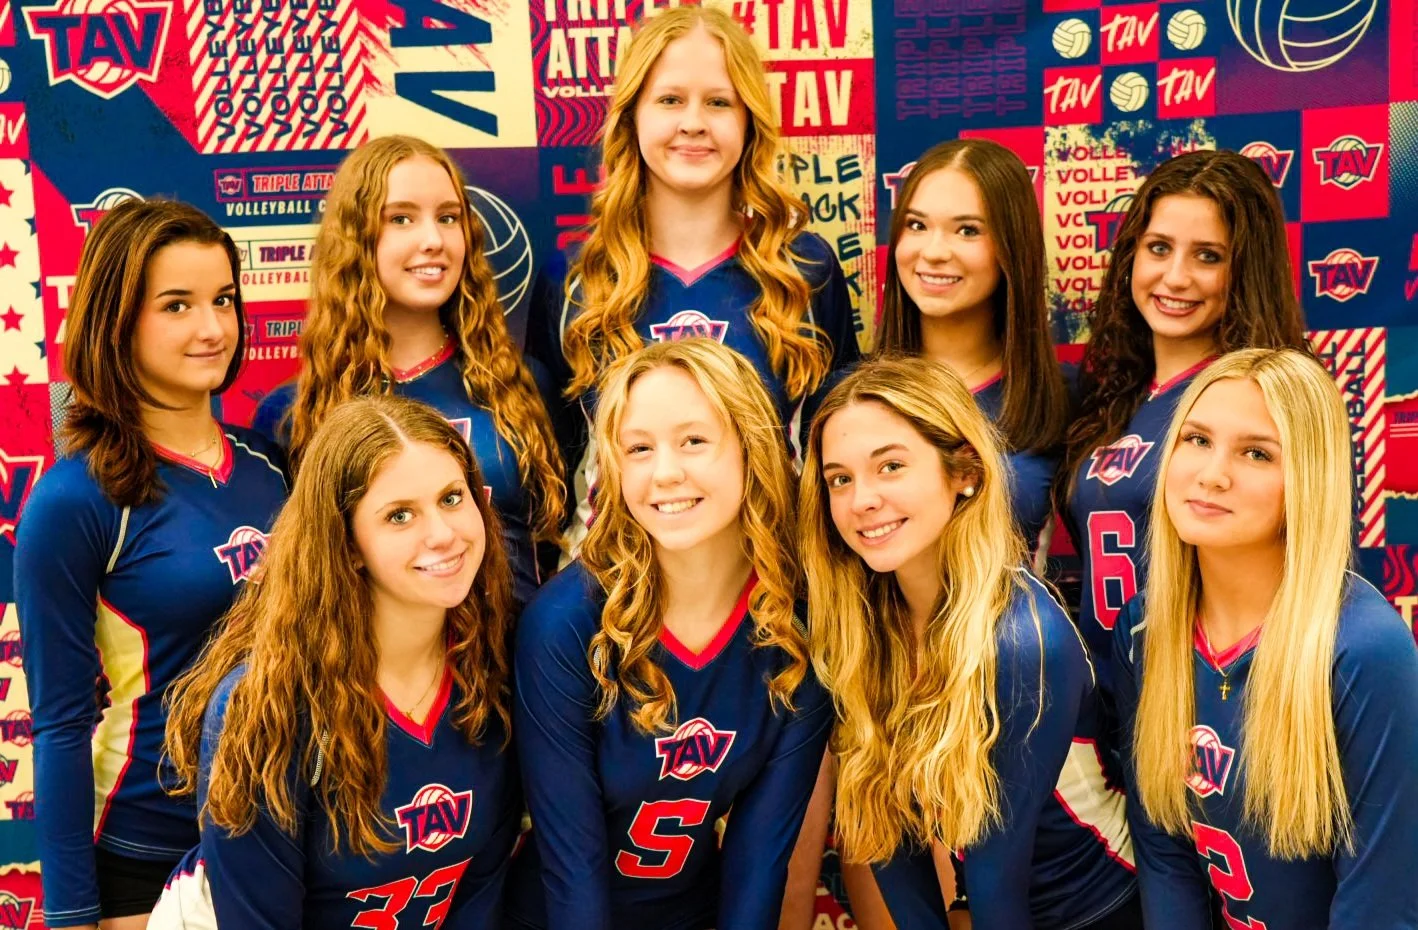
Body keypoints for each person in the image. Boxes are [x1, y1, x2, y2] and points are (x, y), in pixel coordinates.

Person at [13, 199, 288, 929]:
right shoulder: (75, 501)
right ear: (117, 322)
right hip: (146, 853)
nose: (213, 327)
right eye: (177, 305)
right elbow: (60, 724)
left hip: (279, 836)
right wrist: (73, 916)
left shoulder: (274, 467)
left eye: (223, 299)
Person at [153, 395, 521, 928]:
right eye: (399, 515)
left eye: (451, 498)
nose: (442, 534)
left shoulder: (497, 668)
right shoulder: (264, 707)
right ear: (347, 545)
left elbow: (481, 896)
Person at [801, 357, 1139, 929]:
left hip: (1097, 912)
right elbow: (887, 831)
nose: (861, 500)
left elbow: (996, 879)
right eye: (840, 479)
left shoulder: (1023, 640)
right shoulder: (860, 624)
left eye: (890, 467)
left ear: (966, 472)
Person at [509, 339, 833, 930]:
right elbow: (571, 868)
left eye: (694, 441)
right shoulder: (565, 625)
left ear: (751, 448)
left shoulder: (799, 625)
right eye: (638, 448)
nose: (664, 473)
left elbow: (760, 860)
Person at [527, 5, 860, 557]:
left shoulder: (803, 269)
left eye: (719, 102)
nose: (693, 123)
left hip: (777, 582)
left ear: (749, 121)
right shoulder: (575, 280)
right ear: (632, 117)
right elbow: (556, 473)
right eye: (670, 100)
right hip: (617, 584)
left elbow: (841, 453)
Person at [1114, 348, 1418, 928]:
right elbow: (1165, 853)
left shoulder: (1364, 649)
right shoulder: (1143, 630)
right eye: (1197, 439)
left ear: (1307, 479)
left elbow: (1381, 905)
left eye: (1256, 453)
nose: (1212, 474)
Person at [254, 135, 564, 606]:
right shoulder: (296, 412)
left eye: (448, 217)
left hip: (520, 648)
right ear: (356, 238)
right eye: (401, 218)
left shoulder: (521, 384)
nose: (433, 240)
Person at [1058, 149, 1308, 696]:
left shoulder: (1268, 400)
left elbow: (1316, 579)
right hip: (1109, 704)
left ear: (1246, 270)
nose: (1175, 277)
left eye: (1208, 256)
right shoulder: (1109, 397)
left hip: (1211, 703)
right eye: (1159, 248)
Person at [875, 138, 1070, 550]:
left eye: (967, 230)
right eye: (916, 225)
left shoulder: (1062, 396)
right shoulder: (854, 395)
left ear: (1011, 247)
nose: (933, 252)